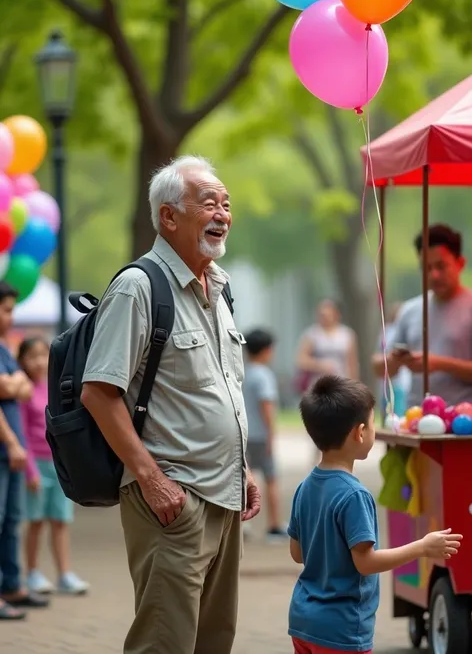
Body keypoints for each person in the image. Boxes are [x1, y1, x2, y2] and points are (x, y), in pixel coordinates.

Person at [81, 155, 260, 654]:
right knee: (165, 642)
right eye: (209, 203)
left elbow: (220, 386)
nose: (222, 212)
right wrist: (151, 479)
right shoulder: (139, 287)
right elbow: (99, 392)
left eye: (226, 203)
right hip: (172, 501)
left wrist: (241, 468)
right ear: (168, 217)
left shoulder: (220, 288)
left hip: (224, 498)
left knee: (213, 640)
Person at [288, 375, 463, 654]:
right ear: (359, 433)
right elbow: (366, 563)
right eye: (372, 425)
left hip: (303, 621)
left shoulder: (304, 487)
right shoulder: (354, 495)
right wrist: (422, 547)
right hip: (341, 629)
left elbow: (297, 553)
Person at [372, 224, 472, 407]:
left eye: (441, 266)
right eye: (426, 268)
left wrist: (440, 363)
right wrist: (396, 360)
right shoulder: (410, 310)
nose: (434, 275)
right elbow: (379, 367)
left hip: (464, 421)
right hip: (417, 416)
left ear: (460, 263)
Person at [18, 336, 89, 596]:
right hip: (35, 465)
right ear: (22, 360)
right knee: (35, 521)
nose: (38, 361)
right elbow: (22, 431)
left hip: (58, 464)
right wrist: (30, 470)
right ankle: (33, 573)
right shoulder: (23, 389)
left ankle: (64, 574)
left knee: (60, 520)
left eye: (42, 355)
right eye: (32, 356)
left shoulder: (56, 388)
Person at [0, 283, 49, 620]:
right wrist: (14, 443)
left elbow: (20, 384)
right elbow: (9, 387)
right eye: (5, 309)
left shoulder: (4, 347)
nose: (10, 316)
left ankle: (12, 585)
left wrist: (11, 386)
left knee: (11, 521)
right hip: (8, 449)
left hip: (13, 456)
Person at [243, 328, 286, 541]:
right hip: (260, 435)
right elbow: (266, 407)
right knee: (271, 479)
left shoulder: (242, 372)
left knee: (244, 478)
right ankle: (274, 526)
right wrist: (271, 435)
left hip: (243, 434)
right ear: (268, 350)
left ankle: (244, 524)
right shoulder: (264, 375)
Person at [295, 299, 359, 391]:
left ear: (336, 314)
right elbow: (301, 360)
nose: (324, 318)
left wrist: (354, 384)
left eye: (328, 315)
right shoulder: (312, 334)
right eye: (321, 315)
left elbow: (352, 363)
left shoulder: (347, 334)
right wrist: (320, 365)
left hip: (341, 382)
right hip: (318, 383)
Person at [376, 302, 411, 417]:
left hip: (402, 377)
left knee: (399, 406)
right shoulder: (387, 330)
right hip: (389, 374)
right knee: (387, 403)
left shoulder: (405, 329)